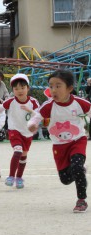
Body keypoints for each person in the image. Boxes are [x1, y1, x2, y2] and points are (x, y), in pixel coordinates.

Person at [28, 69, 90, 213]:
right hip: (59, 145)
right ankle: (80, 170)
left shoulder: (80, 103)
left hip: (77, 140)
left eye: (58, 86)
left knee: (76, 166)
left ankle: (81, 200)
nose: (53, 90)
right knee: (65, 179)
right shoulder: (49, 105)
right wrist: (33, 124)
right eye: (51, 86)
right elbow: (37, 115)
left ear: (69, 88)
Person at [0, 73, 39, 189]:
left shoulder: (33, 102)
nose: (19, 90)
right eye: (16, 88)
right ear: (12, 90)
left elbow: (39, 114)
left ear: (28, 88)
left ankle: (19, 177)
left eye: (22, 87)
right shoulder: (11, 101)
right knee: (18, 151)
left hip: (27, 133)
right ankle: (11, 176)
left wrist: (29, 110)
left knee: (23, 156)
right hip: (14, 130)